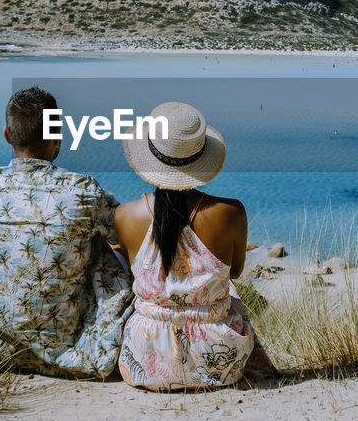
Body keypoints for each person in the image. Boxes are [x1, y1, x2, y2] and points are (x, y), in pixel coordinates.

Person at [0, 86, 132, 377]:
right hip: (63, 350)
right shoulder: (82, 192)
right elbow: (125, 235)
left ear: (7, 135)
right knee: (103, 245)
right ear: (57, 133)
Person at [114, 101, 276, 389]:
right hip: (220, 362)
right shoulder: (231, 212)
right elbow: (235, 272)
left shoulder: (126, 215)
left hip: (145, 362)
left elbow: (133, 275)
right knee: (231, 290)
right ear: (200, 159)